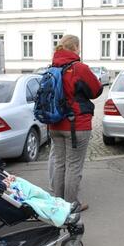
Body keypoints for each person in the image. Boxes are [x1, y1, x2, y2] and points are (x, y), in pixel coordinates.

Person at [50, 34, 102, 211]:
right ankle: (71, 206)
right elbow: (95, 90)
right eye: (78, 47)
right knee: (74, 166)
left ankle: (58, 204)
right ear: (74, 48)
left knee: (59, 163)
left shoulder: (52, 66)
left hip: (55, 124)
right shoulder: (78, 67)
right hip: (76, 125)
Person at [2, 174, 81, 227]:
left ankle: (64, 207)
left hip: (17, 194)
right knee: (39, 204)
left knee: (40, 194)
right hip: (15, 199)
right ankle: (60, 215)